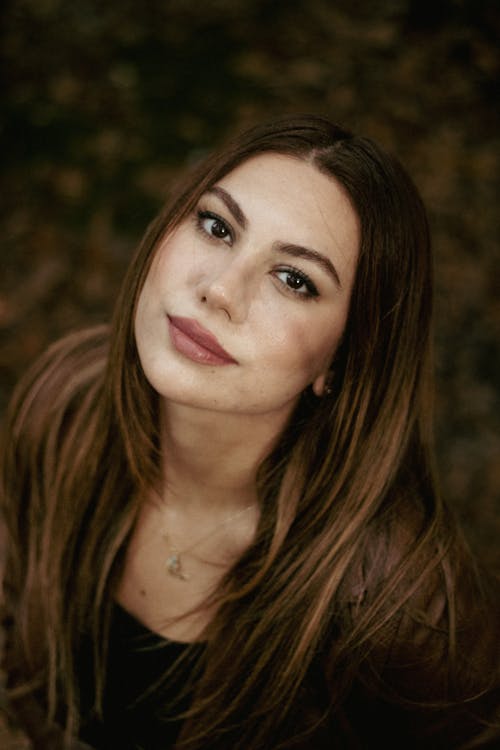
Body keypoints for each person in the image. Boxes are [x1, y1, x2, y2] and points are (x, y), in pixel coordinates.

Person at [1, 115, 499, 750]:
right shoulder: (64, 403)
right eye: (217, 226)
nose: (220, 290)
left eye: (295, 279)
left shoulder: (401, 611)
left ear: (341, 360)